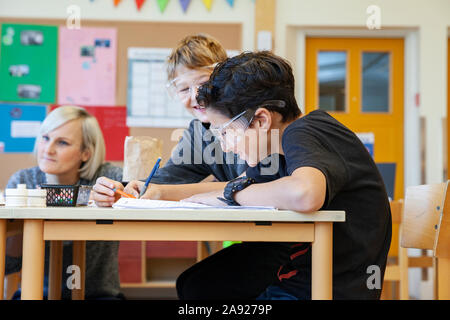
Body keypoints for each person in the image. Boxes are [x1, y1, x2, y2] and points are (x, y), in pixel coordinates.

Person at [179, 51, 392, 300]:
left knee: (203, 290)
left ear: (260, 120)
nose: (225, 145)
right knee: (196, 285)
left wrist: (232, 194)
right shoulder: (278, 152)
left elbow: (304, 194)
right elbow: (236, 186)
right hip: (299, 280)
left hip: (328, 290)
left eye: (225, 132)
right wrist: (158, 193)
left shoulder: (307, 131)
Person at [92, 34, 247, 205]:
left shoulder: (250, 124)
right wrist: (121, 189)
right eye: (184, 89)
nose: (195, 96)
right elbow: (168, 178)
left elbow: (254, 184)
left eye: (203, 84)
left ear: (224, 79)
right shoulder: (198, 132)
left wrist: (161, 192)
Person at [5, 106, 124, 300]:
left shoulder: (106, 176)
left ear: (86, 153)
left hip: (99, 295)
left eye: (62, 142)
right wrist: (22, 223)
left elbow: (140, 195)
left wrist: (82, 197)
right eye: (45, 138)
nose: (48, 149)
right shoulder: (23, 181)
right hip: (37, 294)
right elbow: (8, 266)